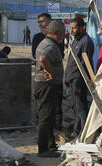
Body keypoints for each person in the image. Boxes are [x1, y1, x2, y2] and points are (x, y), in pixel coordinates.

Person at [34, 20, 66, 158]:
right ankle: (43, 149)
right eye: (63, 33)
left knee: (50, 116)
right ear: (56, 32)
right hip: (46, 86)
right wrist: (51, 73)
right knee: (46, 117)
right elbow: (43, 58)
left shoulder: (49, 43)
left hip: (48, 85)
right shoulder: (49, 45)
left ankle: (50, 144)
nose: (64, 35)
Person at [64, 17, 94, 136]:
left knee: (81, 108)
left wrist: (79, 84)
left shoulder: (86, 41)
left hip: (78, 80)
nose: (72, 30)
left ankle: (83, 133)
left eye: (74, 28)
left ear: (82, 27)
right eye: (70, 28)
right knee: (75, 107)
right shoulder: (76, 40)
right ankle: (76, 131)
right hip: (72, 78)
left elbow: (85, 65)